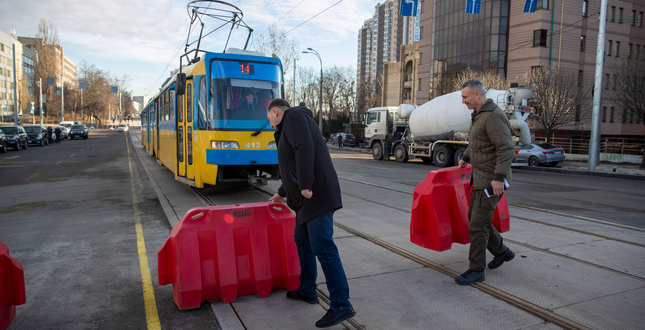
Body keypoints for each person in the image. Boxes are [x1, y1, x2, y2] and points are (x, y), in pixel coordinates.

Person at [266, 98, 356, 328]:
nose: (271, 125)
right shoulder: (291, 123)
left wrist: (305, 184)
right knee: (303, 242)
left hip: (315, 195)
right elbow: (290, 165)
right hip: (306, 199)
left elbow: (303, 149)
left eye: (270, 120)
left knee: (323, 247)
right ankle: (307, 290)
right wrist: (282, 193)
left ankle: (341, 304)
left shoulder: (293, 117)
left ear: (275, 112)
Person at [455, 78, 515, 285]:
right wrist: (465, 157)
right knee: (478, 219)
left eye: (465, 97)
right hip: (481, 179)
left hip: (491, 182)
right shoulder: (480, 115)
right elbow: (478, 143)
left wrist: (498, 178)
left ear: (477, 94)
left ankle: (476, 269)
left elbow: (505, 148)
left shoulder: (492, 117)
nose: (463, 101)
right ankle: (502, 252)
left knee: (477, 226)